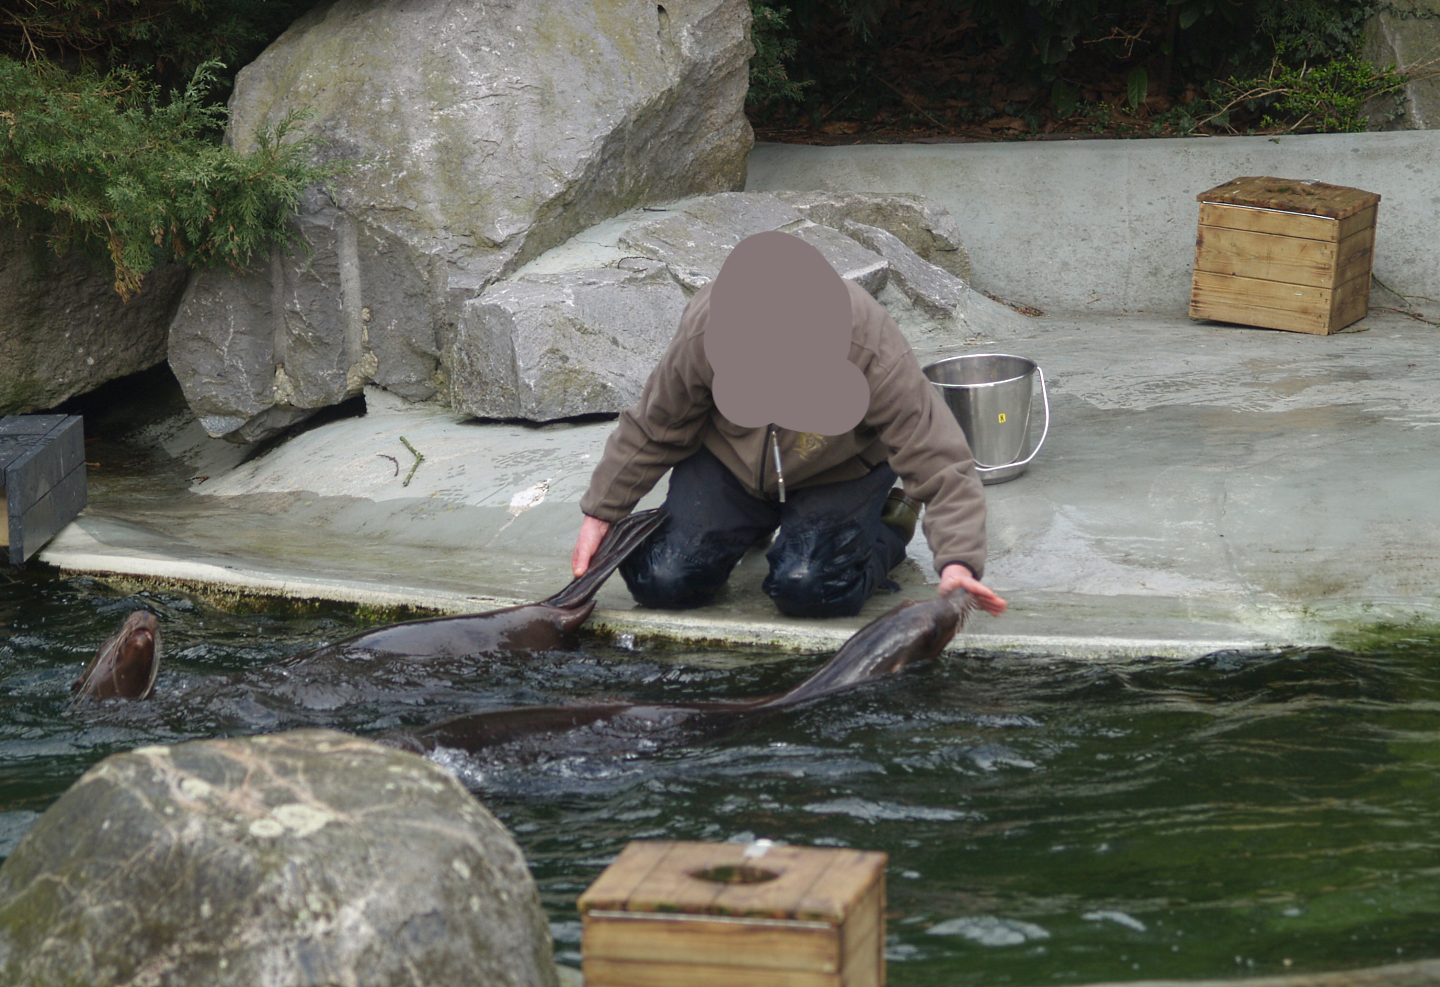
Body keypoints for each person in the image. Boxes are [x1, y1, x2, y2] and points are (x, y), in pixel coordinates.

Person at [571, 230, 1007, 619]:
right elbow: (656, 424)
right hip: (731, 462)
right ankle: (750, 525)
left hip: (838, 467)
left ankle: (888, 526)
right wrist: (600, 512)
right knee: (662, 580)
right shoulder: (706, 326)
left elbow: (939, 457)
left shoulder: (868, 340)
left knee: (809, 588)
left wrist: (957, 562)